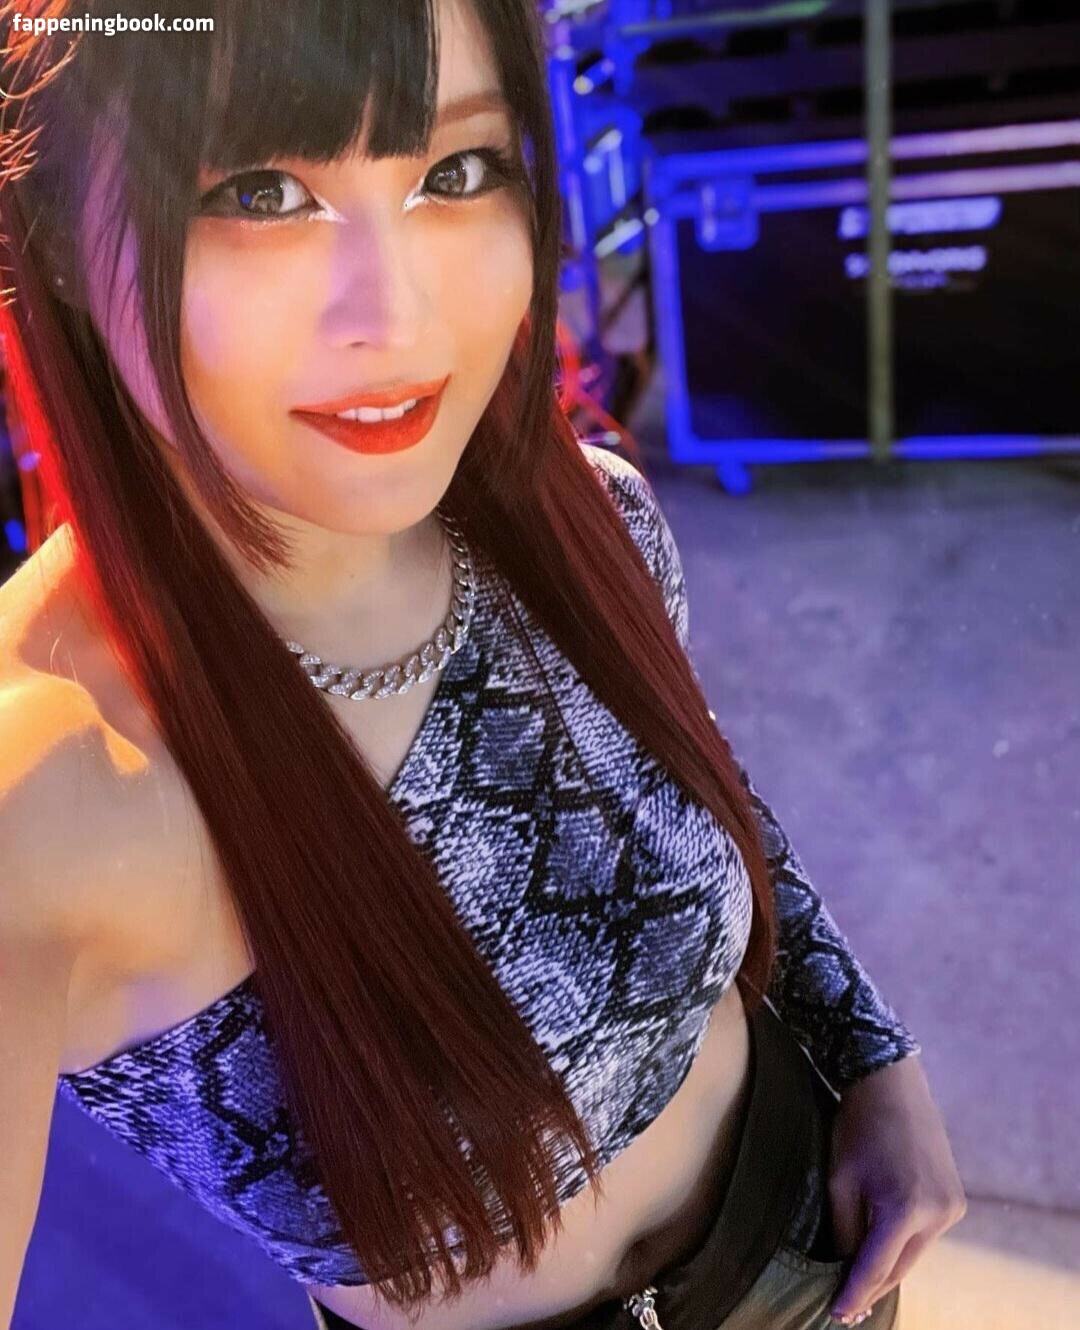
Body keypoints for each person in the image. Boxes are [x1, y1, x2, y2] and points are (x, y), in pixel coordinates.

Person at [0, 2, 967, 1328]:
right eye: (261, 192)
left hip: (820, 1247)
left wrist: (870, 1057)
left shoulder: (584, 520)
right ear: (58, 231)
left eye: (456, 171)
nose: (397, 313)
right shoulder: (49, 785)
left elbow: (701, 792)